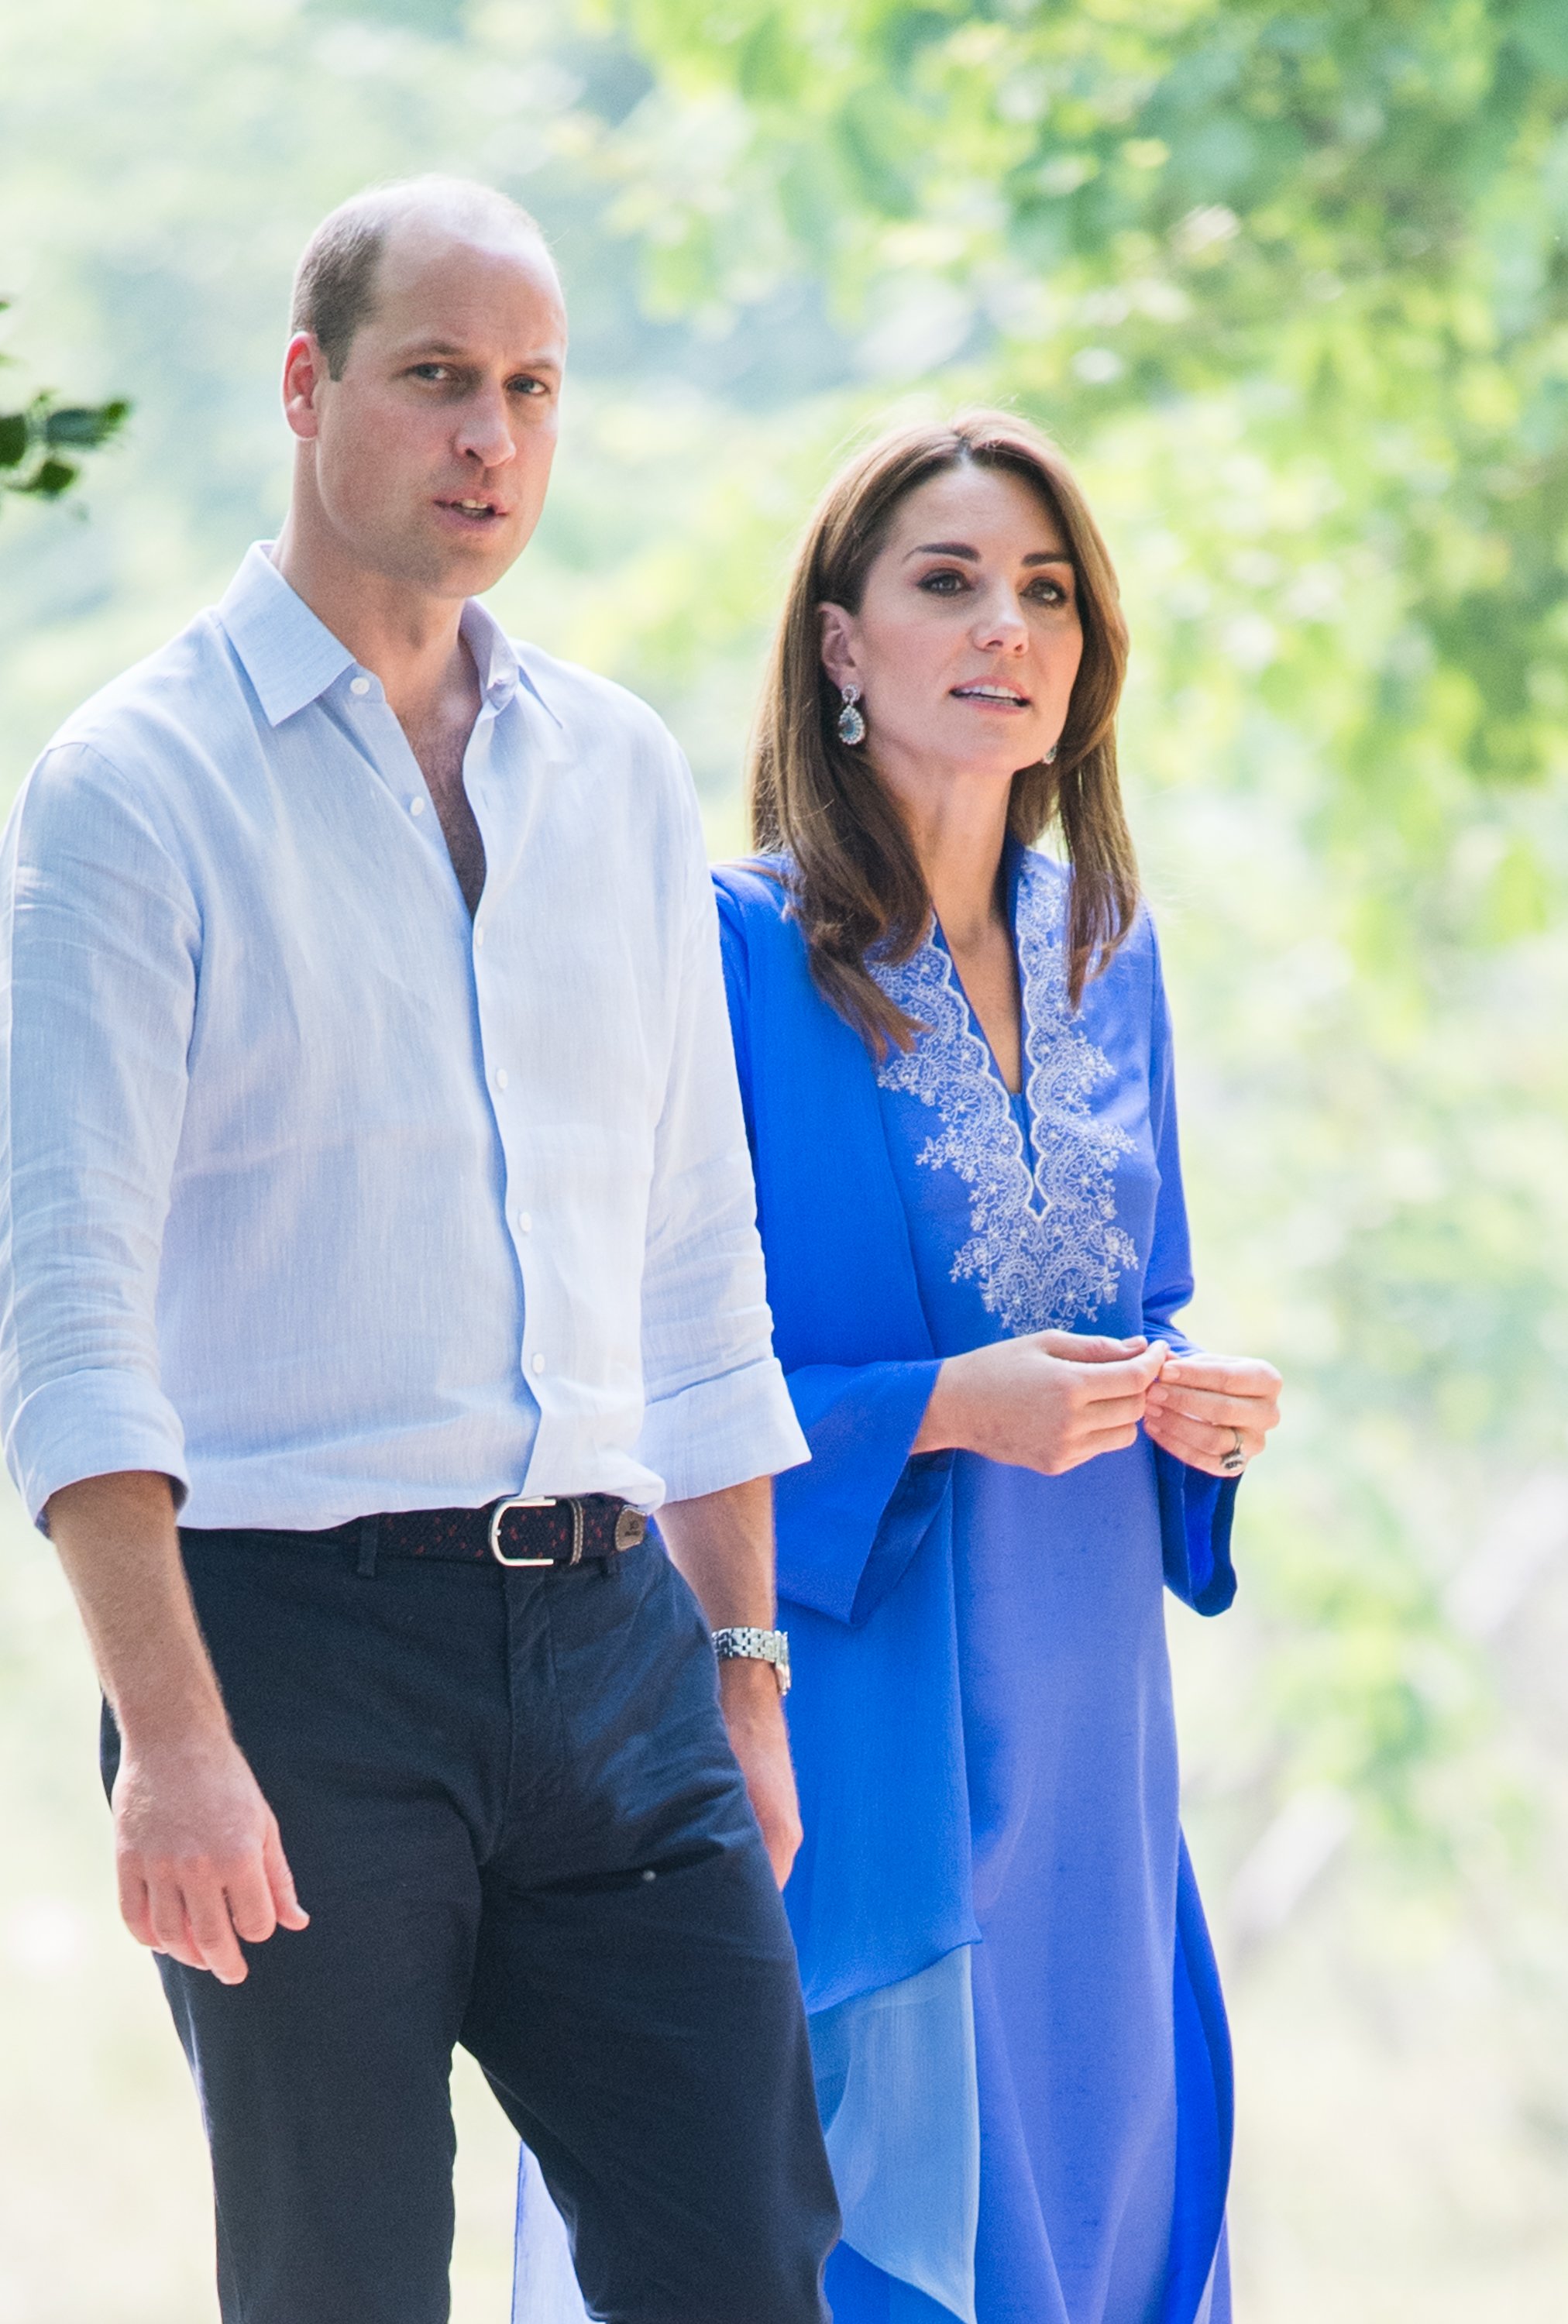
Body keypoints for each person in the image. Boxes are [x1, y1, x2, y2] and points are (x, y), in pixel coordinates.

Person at [0, 174, 838, 2324]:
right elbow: (72, 1317)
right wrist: (170, 1740)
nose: (489, 442)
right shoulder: (131, 791)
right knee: (342, 2286)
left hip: (619, 1645)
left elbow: (692, 1261)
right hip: (291, 1669)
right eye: (437, 379)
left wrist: (742, 1673)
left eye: (532, 392)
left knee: (749, 2262)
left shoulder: (619, 777)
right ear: (306, 386)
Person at [714, 411, 1283, 2324]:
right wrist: (952, 1405)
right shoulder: (725, 958)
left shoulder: (1107, 949)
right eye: (946, 583)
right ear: (839, 642)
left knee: (1116, 2202)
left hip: (1092, 1714)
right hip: (862, 1704)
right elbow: (649, 1390)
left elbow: (1149, 1293)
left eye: (1044, 591)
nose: (1004, 629)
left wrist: (1200, 1402)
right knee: (899, 2233)